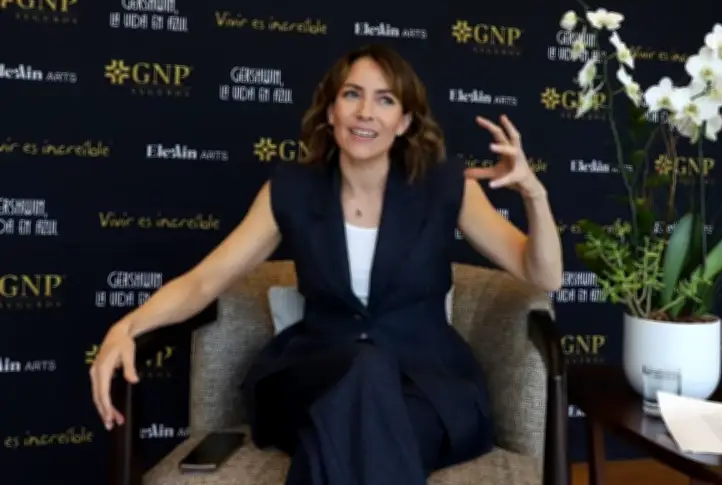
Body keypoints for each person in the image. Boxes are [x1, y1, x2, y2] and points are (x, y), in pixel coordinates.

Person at [89, 44, 563, 484]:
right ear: (331, 110)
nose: (365, 112)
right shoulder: (291, 191)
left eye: (385, 100)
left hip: (426, 385)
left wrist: (534, 195)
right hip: (316, 375)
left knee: (342, 438)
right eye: (352, 94)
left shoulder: (447, 186)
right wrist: (126, 326)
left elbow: (545, 275)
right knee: (364, 382)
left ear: (403, 122)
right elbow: (204, 281)